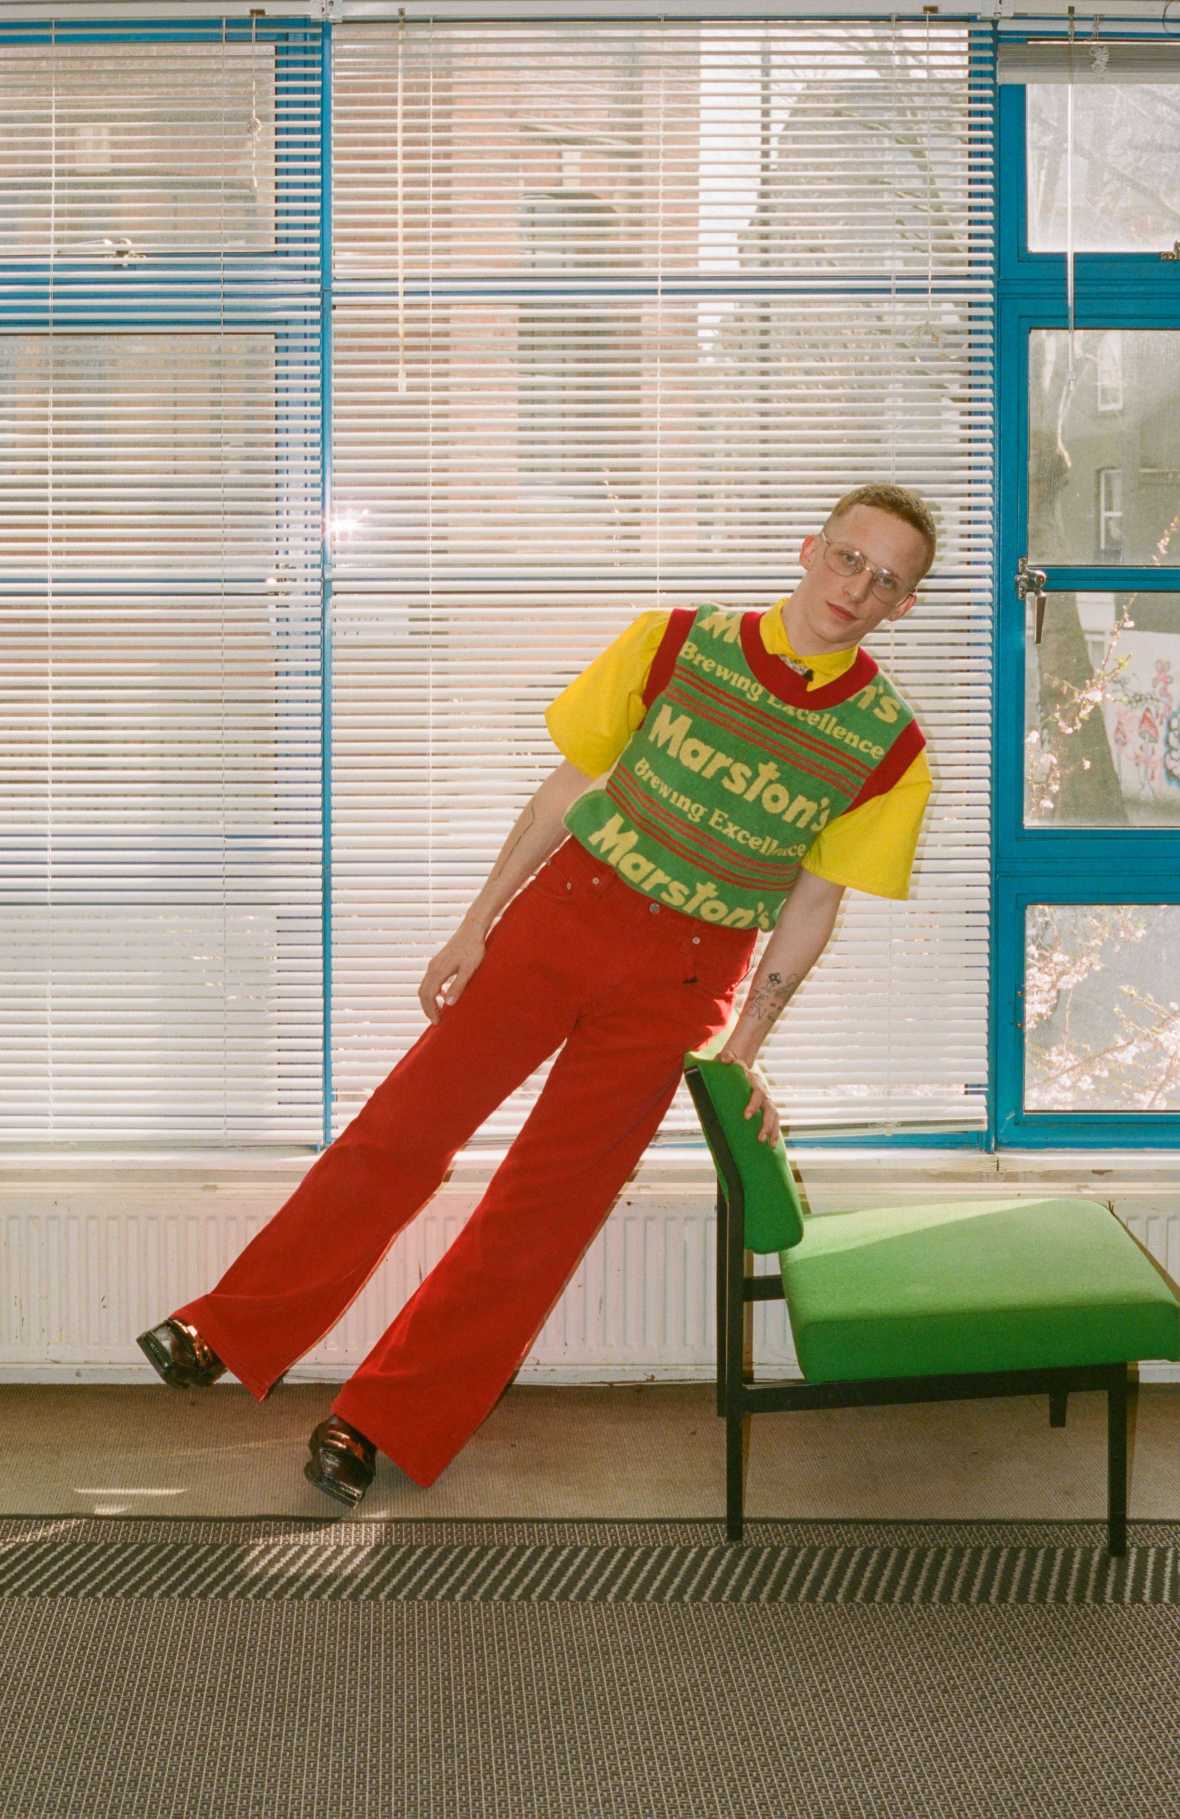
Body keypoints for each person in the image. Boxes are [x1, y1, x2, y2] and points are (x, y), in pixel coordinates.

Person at [137, 482, 936, 1508]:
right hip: (569, 913)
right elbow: (567, 787)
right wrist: (475, 924)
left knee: (542, 1210)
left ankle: (380, 1418)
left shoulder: (889, 746)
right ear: (807, 549)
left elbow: (813, 905)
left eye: (885, 580)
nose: (855, 586)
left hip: (688, 973)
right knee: (402, 1130)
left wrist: (743, 1042)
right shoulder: (673, 641)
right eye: (846, 557)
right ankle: (229, 1327)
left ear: (902, 606)